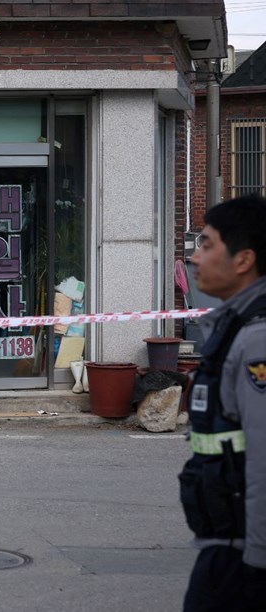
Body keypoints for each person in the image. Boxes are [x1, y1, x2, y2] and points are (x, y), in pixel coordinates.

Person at [181, 194, 266, 612]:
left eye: (207, 244)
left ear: (244, 259)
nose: (195, 258)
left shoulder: (257, 339)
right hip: (226, 545)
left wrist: (258, 564)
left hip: (241, 556)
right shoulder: (236, 325)